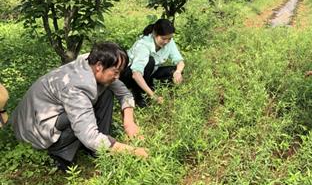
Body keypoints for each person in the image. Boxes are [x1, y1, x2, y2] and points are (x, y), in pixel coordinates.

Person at [11, 42, 148, 171]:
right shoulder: (76, 87)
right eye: (115, 71)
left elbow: (124, 93)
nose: (117, 77)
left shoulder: (88, 62)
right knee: (83, 122)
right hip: (37, 132)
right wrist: (134, 152)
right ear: (99, 65)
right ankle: (60, 154)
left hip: (43, 117)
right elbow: (89, 136)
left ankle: (98, 148)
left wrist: (129, 123)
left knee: (106, 92)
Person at [121, 18, 185, 108]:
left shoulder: (168, 41)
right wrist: (153, 96)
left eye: (169, 39)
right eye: (163, 39)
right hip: (130, 75)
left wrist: (177, 72)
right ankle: (139, 95)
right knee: (150, 61)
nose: (166, 41)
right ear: (155, 34)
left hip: (150, 72)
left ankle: (149, 87)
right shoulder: (143, 45)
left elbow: (179, 61)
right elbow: (136, 74)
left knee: (175, 71)